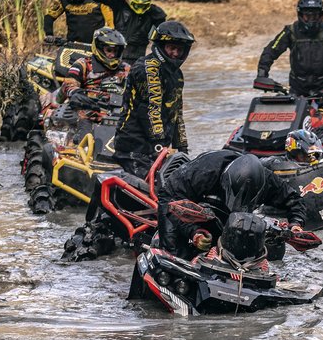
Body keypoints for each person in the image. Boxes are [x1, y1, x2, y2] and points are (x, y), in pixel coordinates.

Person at [156, 150, 308, 261]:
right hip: (195, 208)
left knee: (271, 250)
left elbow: (295, 200)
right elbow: (169, 197)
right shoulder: (204, 172)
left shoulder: (268, 180)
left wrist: (296, 225)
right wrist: (193, 232)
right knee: (173, 253)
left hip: (235, 217)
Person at [113, 20, 195, 176]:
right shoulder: (147, 68)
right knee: (154, 185)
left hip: (157, 149)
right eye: (171, 48)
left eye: (179, 49)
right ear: (161, 46)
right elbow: (151, 109)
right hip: (134, 147)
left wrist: (182, 148)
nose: (175, 53)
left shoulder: (177, 75)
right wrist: (159, 145)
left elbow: (177, 113)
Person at [257, 0, 323, 101]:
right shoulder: (291, 31)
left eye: (315, 16)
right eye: (307, 16)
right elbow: (270, 51)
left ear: (320, 15)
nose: (311, 20)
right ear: (300, 15)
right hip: (297, 89)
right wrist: (262, 74)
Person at [87, 0, 167, 63]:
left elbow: (161, 42)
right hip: (115, 56)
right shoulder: (119, 2)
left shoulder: (155, 13)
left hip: (138, 59)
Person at [59, 27, 129, 108]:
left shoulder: (125, 68)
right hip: (88, 108)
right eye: (109, 50)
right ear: (99, 47)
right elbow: (67, 87)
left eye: (116, 51)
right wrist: (85, 95)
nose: (113, 55)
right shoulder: (82, 65)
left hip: (119, 110)